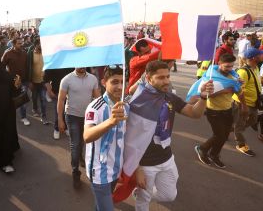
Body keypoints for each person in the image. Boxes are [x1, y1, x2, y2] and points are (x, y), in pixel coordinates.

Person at [113, 61, 214, 210]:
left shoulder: (170, 97)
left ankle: (138, 193)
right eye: (161, 78)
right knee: (143, 202)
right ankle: (141, 195)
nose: (166, 81)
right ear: (148, 78)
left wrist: (204, 97)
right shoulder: (135, 101)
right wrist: (137, 168)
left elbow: (194, 113)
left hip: (166, 158)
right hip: (144, 163)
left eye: (168, 76)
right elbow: (127, 139)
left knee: (169, 195)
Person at [83, 66, 127, 210]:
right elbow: (87, 136)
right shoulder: (95, 107)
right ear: (104, 82)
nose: (120, 86)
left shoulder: (125, 106)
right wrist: (110, 122)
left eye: (122, 81)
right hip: (99, 172)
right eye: (114, 82)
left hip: (115, 169)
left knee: (100, 206)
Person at [194, 54, 245, 168]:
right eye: (226, 66)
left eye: (232, 66)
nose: (229, 69)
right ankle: (202, 149)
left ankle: (214, 154)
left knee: (224, 135)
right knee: (219, 135)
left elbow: (239, 92)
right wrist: (224, 90)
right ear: (219, 64)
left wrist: (243, 106)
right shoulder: (211, 77)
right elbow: (205, 95)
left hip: (228, 110)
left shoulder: (233, 77)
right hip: (213, 111)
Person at [58, 68, 101, 189]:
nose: (81, 65)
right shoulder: (67, 79)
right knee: (75, 144)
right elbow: (61, 100)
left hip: (88, 117)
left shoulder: (92, 79)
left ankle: (80, 158)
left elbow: (98, 98)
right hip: (72, 116)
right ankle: (75, 171)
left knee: (85, 141)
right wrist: (60, 120)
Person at [232, 48, 263, 157]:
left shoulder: (255, 68)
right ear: (253, 58)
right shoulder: (243, 71)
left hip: (253, 103)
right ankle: (241, 144)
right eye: (260, 54)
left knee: (253, 120)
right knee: (240, 125)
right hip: (242, 103)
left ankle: (234, 128)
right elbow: (238, 90)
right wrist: (244, 106)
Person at [2, 37, 30, 126]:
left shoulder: (25, 53)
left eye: (21, 43)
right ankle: (9, 117)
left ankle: (23, 117)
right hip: (11, 82)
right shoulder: (7, 53)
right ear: (13, 44)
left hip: (24, 81)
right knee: (11, 100)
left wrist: (29, 80)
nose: (21, 45)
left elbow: (28, 67)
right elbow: (2, 66)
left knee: (23, 100)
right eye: (19, 43)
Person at [44, 68, 74, 139]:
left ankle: (66, 127)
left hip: (70, 91)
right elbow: (46, 79)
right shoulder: (54, 62)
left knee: (68, 111)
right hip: (57, 91)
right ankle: (56, 129)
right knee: (58, 111)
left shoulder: (70, 62)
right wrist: (49, 91)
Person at [27, 39, 49, 124]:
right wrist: (29, 81)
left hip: (43, 81)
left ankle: (44, 117)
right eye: (39, 44)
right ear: (35, 45)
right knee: (34, 97)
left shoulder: (46, 54)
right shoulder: (30, 54)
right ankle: (35, 109)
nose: (41, 46)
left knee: (43, 99)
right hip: (33, 81)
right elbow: (27, 67)